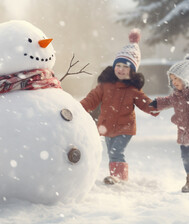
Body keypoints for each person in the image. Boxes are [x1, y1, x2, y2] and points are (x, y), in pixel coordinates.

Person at [80, 29, 157, 185]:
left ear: (132, 71)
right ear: (114, 66)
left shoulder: (133, 90)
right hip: (107, 126)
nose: (121, 69)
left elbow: (144, 102)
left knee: (116, 152)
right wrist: (79, 108)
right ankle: (115, 177)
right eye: (119, 65)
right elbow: (92, 99)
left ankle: (118, 178)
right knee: (111, 153)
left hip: (125, 127)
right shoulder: (105, 85)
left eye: (126, 67)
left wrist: (155, 106)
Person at [150, 55, 189, 193]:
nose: (174, 82)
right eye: (172, 79)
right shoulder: (176, 95)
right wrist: (156, 103)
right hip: (184, 133)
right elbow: (167, 101)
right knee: (185, 158)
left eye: (177, 78)